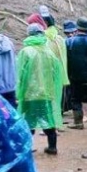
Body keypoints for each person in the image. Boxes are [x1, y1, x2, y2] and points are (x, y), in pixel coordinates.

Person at [17, 24, 63, 155]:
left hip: (29, 93)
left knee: (28, 120)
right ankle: (52, 147)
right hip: (46, 93)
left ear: (29, 34)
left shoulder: (25, 52)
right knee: (48, 119)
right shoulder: (48, 52)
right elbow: (56, 73)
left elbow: (20, 74)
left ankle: (27, 147)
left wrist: (18, 91)